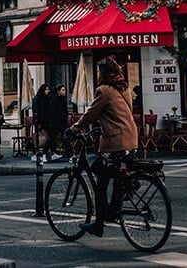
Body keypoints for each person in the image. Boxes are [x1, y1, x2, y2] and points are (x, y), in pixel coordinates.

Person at [69, 55, 138, 237]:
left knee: (101, 183)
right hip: (131, 140)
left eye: (99, 72)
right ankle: (121, 198)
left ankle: (99, 224)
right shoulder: (124, 88)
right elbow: (120, 113)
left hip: (115, 142)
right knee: (116, 175)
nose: (98, 75)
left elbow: (91, 114)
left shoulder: (104, 91)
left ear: (104, 74)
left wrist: (75, 129)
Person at [32, 83, 54, 160]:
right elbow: (36, 111)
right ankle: (39, 153)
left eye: (48, 89)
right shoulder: (37, 99)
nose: (48, 91)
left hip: (47, 121)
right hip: (40, 121)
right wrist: (38, 122)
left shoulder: (47, 99)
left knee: (50, 136)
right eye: (46, 89)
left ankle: (46, 152)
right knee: (39, 138)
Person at [50, 84, 71, 155]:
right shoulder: (54, 101)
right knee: (52, 139)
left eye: (65, 90)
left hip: (62, 123)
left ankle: (68, 153)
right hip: (56, 124)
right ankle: (47, 153)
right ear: (58, 92)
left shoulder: (63, 100)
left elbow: (65, 112)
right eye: (63, 90)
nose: (65, 91)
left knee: (67, 135)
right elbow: (54, 114)